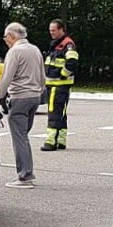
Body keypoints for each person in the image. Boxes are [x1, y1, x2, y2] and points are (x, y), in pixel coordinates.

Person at [0, 22, 45, 188]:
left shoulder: (14, 52)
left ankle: (25, 176)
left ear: (12, 36)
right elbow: (43, 76)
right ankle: (26, 173)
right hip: (34, 97)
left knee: (19, 138)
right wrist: (38, 91)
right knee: (23, 136)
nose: (5, 41)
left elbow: (6, 78)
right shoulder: (35, 49)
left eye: (6, 38)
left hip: (19, 98)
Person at [41, 18, 79, 151]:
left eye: (54, 30)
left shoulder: (67, 44)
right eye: (50, 30)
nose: (51, 33)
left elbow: (72, 62)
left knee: (54, 112)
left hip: (59, 84)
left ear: (62, 30)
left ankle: (50, 141)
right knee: (61, 113)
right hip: (54, 84)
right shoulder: (56, 44)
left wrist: (63, 74)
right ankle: (61, 140)